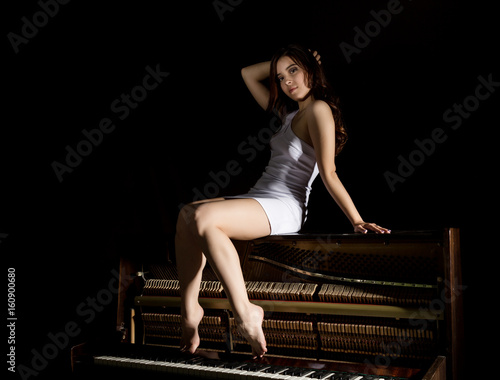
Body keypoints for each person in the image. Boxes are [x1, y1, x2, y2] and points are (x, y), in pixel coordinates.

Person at [175, 44, 391, 359]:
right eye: (280, 76)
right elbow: (247, 74)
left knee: (206, 219)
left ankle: (245, 311)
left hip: (285, 205)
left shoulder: (319, 110)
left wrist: (356, 219)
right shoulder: (289, 114)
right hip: (260, 197)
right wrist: (291, 62)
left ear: (312, 72)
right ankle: (189, 311)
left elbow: (329, 172)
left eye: (294, 71)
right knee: (187, 215)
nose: (287, 81)